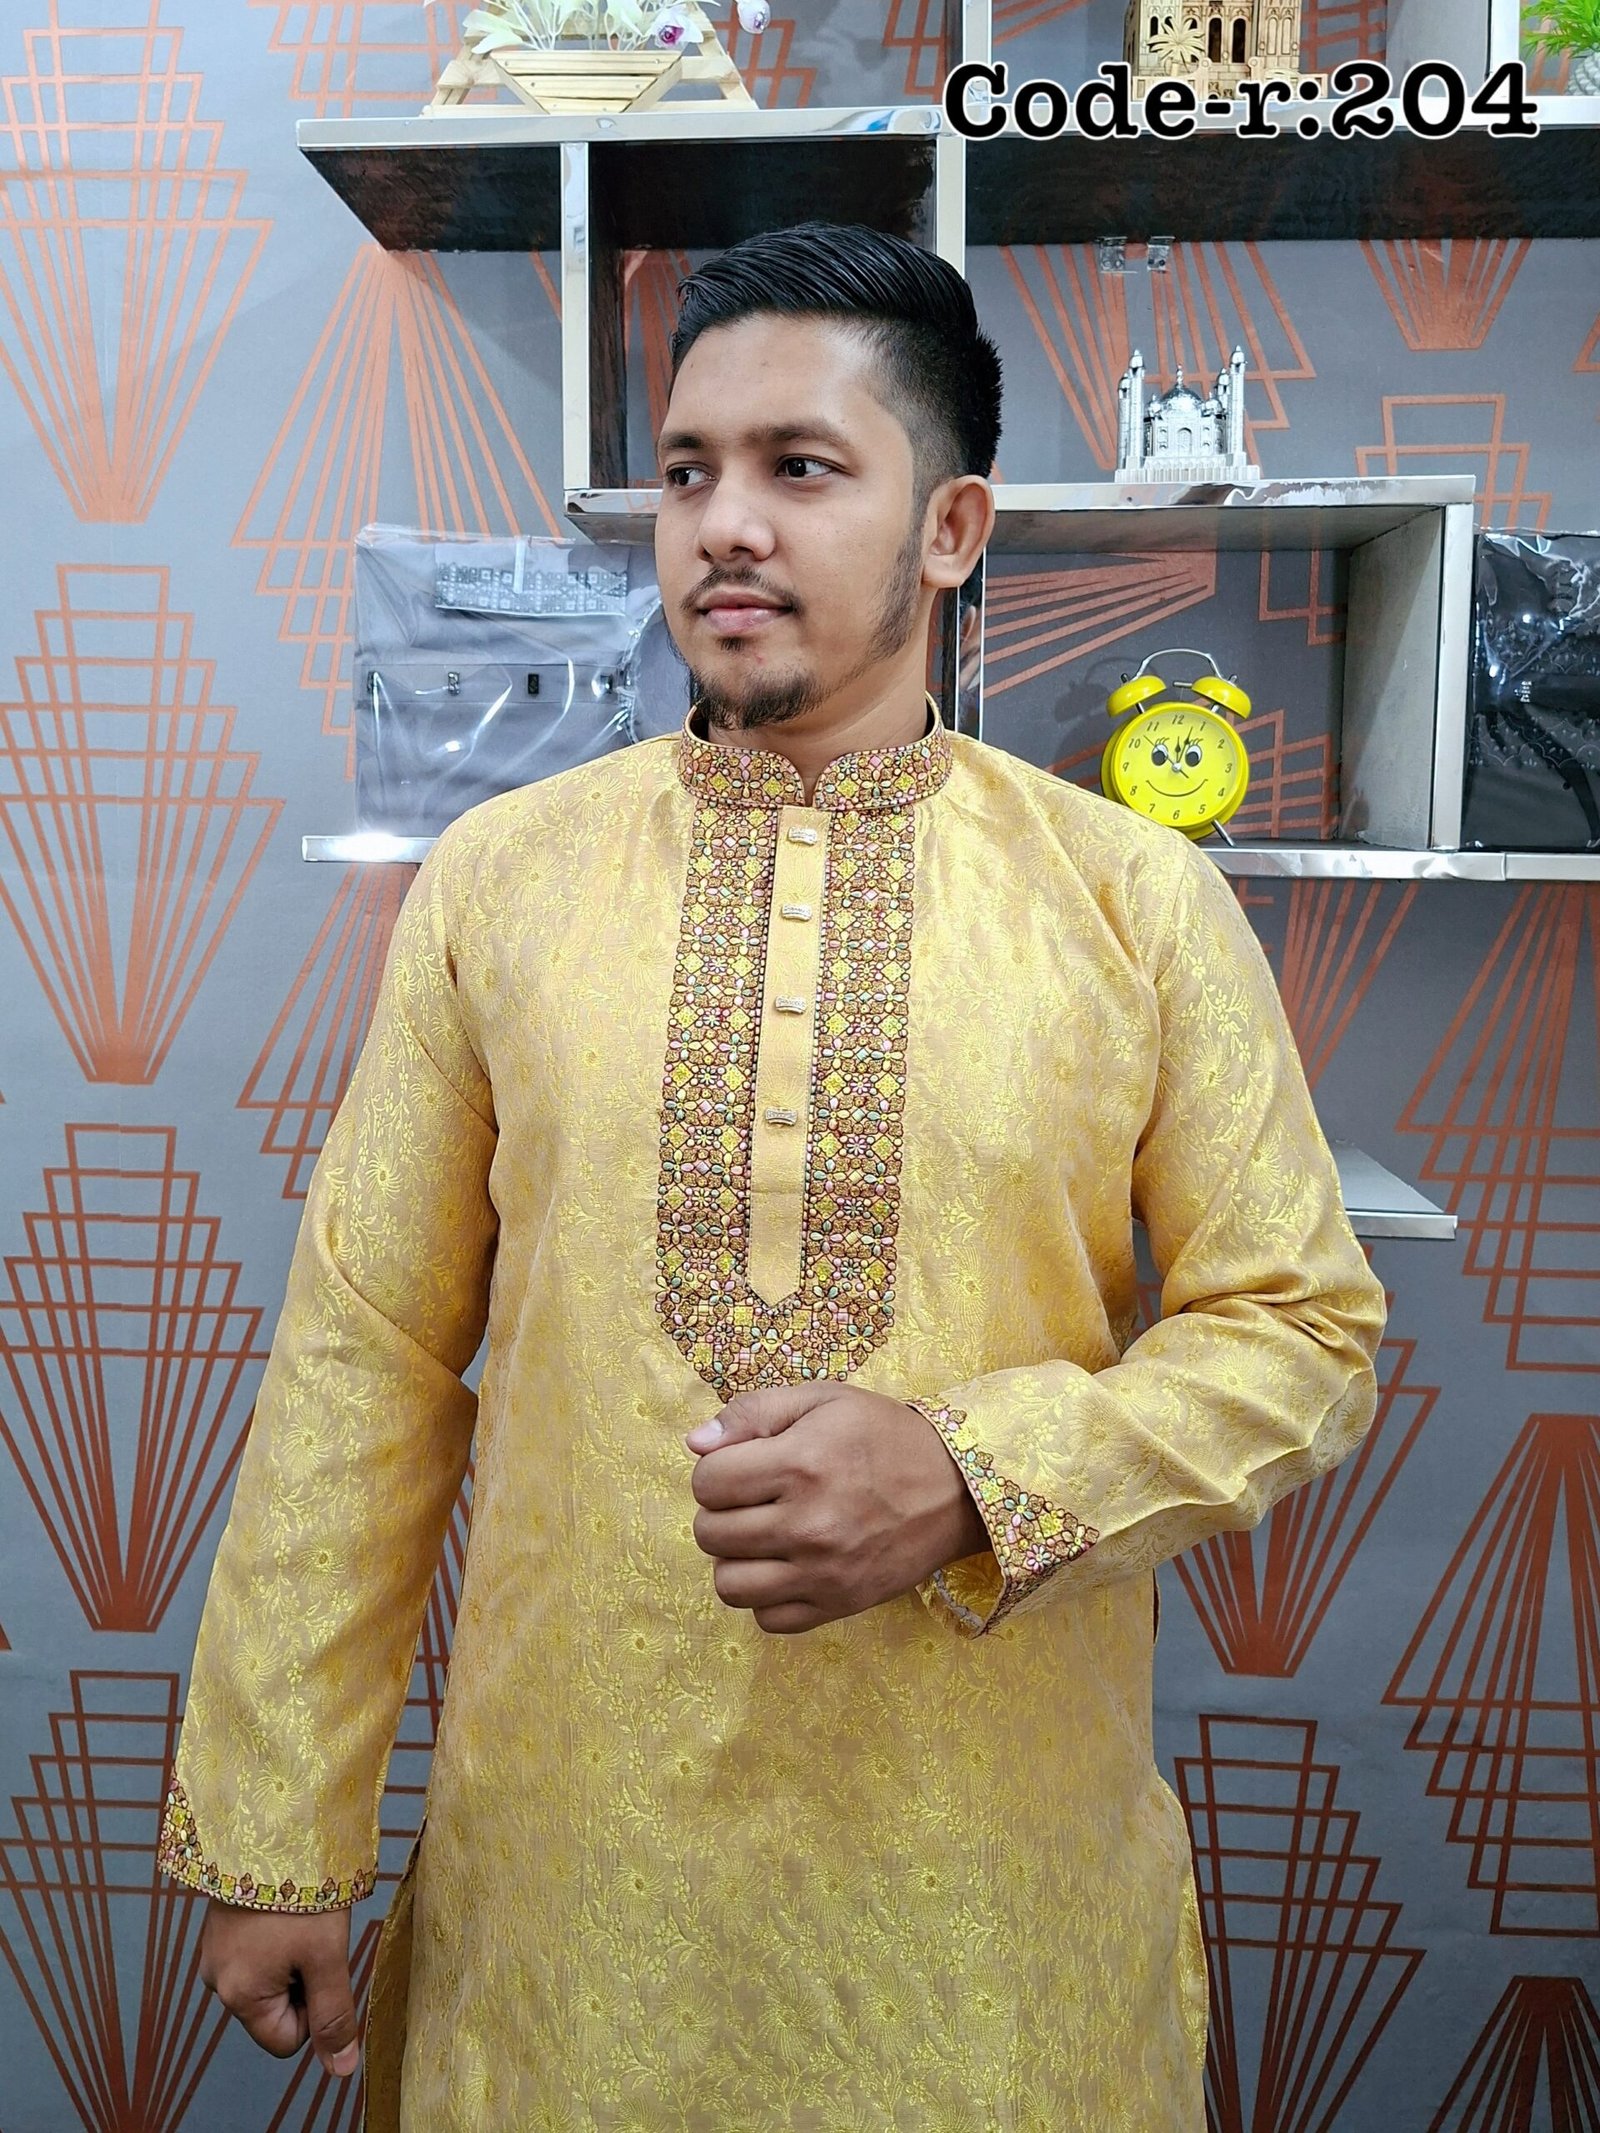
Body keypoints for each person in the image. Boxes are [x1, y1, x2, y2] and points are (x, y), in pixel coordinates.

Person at [162, 221, 1388, 2132]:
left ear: (952, 527)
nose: (724, 526)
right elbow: (365, 1357)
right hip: (572, 1904)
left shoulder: (1132, 900)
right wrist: (275, 1826)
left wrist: (973, 1472)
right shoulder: (504, 881)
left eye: (801, 468)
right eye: (688, 472)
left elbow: (1302, 1335)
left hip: (982, 1925)